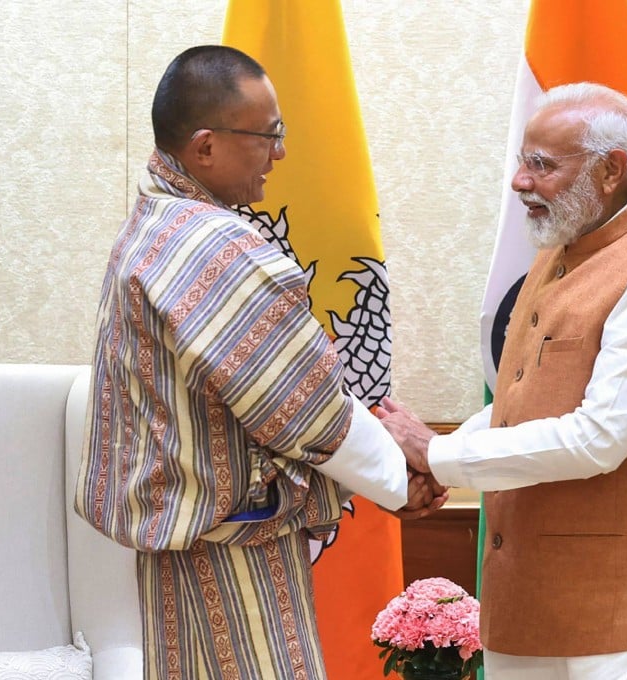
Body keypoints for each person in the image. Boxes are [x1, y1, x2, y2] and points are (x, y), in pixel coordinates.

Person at [74, 45, 445, 680]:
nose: (280, 153)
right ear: (206, 146)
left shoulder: (155, 220)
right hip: (233, 553)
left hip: (190, 545)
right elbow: (307, 409)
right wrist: (403, 476)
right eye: (267, 135)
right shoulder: (213, 245)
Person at [378, 82, 627, 680]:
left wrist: (438, 454)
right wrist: (426, 460)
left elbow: (600, 437)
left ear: (610, 170)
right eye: (522, 161)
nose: (520, 181)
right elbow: (520, 401)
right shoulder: (557, 254)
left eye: (541, 165)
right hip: (531, 605)